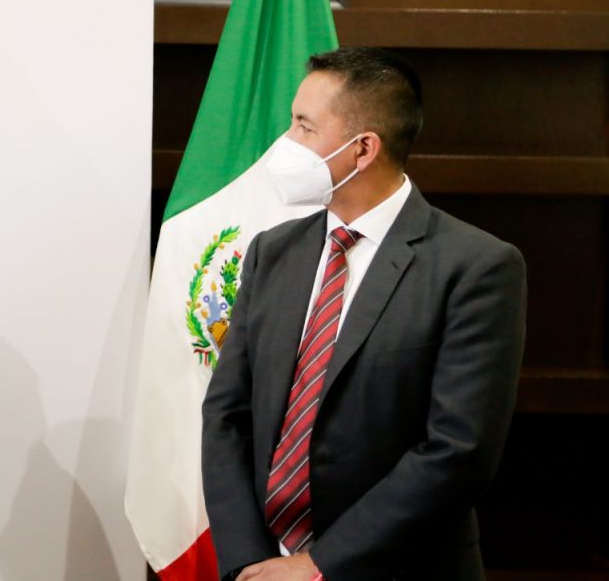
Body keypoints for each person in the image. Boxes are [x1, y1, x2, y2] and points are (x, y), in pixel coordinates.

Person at [202, 48, 526, 581]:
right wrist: (248, 562)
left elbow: (458, 451)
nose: (286, 142)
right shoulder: (273, 251)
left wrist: (317, 565)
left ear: (363, 149)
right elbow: (226, 415)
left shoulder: (476, 267)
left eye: (304, 126)